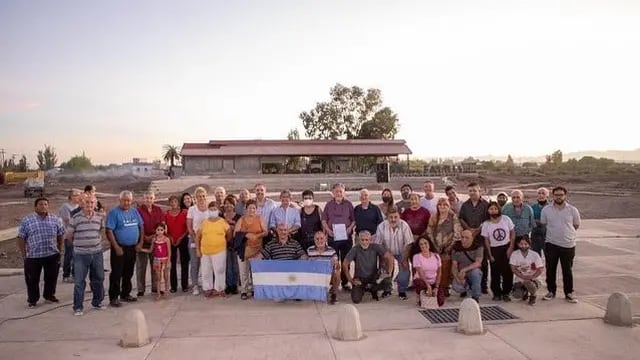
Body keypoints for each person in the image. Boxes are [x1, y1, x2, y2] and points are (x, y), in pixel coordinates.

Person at [17, 198, 65, 308]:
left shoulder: (55, 219)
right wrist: (24, 254)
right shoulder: (27, 220)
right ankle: (32, 300)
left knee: (51, 277)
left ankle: (49, 295)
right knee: (32, 279)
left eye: (45, 204)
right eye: (40, 204)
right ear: (35, 207)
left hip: (51, 254)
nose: (43, 206)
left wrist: (59, 249)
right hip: (33, 256)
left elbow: (60, 234)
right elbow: (21, 237)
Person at [541, 186, 581, 303]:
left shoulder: (573, 210)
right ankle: (551, 291)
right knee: (550, 269)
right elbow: (544, 223)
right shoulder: (546, 210)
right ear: (553, 196)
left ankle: (568, 293)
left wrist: (567, 234)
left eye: (561, 195)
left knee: (567, 270)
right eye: (556, 195)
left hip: (568, 245)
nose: (559, 197)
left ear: (565, 196)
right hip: (551, 243)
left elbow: (576, 225)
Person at [68, 194, 106, 315]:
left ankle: (97, 302)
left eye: (92, 203)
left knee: (98, 278)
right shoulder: (75, 218)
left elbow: (100, 231)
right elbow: (69, 236)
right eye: (87, 203)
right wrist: (79, 245)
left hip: (96, 253)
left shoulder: (99, 217)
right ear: (82, 204)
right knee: (79, 281)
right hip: (80, 254)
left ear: (95, 204)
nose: (89, 205)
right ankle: (78, 307)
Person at [106, 191, 144, 307]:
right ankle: (114, 297)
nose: (127, 202)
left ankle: (125, 293)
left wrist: (140, 242)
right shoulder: (114, 213)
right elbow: (109, 230)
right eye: (125, 200)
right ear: (120, 200)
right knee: (117, 273)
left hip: (132, 247)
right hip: (120, 247)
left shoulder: (134, 211)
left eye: (129, 200)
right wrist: (116, 246)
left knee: (129, 272)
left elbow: (141, 226)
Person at [342, 231, 394, 304]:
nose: (364, 242)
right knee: (356, 300)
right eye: (362, 240)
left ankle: (372, 288)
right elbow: (345, 263)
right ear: (358, 240)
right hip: (360, 278)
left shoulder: (375, 247)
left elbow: (390, 257)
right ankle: (364, 288)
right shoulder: (355, 249)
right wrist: (351, 280)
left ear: (370, 240)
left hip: (374, 277)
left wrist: (389, 272)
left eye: (366, 240)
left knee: (387, 281)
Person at [425, 197, 462, 297]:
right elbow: (429, 232)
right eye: (440, 205)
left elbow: (457, 233)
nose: (442, 207)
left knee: (446, 267)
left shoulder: (453, 217)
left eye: (445, 205)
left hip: (449, 248)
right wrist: (434, 246)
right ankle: (436, 286)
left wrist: (449, 247)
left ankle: (445, 287)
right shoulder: (434, 217)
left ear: (448, 206)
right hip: (435, 247)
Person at [375, 206, 414, 300]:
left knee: (404, 270)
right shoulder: (381, 226)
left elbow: (409, 243)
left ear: (399, 216)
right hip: (387, 252)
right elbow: (378, 244)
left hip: (401, 251)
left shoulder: (404, 225)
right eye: (391, 217)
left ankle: (402, 291)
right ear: (387, 217)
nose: (393, 219)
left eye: (395, 217)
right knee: (385, 269)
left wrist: (404, 259)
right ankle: (387, 290)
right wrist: (385, 255)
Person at [322, 183, 355, 290]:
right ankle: (334, 283)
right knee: (333, 261)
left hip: (346, 238)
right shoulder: (328, 205)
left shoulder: (349, 204)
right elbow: (324, 220)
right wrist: (328, 230)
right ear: (333, 192)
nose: (339, 193)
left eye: (341, 191)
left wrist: (350, 228)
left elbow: (354, 220)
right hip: (333, 237)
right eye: (337, 191)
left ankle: (345, 282)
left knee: (346, 260)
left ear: (344, 192)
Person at [459, 182, 490, 294]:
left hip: (481, 236)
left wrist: (477, 230)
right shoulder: (465, 205)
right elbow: (461, 218)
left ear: (479, 191)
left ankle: (483, 285)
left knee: (483, 261)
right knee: (466, 260)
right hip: (468, 237)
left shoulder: (486, 204)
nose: (472, 193)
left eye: (474, 190)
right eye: (470, 191)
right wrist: (469, 230)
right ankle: (465, 284)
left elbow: (488, 219)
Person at [234, 199, 268, 300]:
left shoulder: (260, 218)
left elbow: (266, 232)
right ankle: (244, 290)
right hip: (244, 249)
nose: (252, 210)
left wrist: (257, 236)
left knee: (255, 270)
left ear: (256, 209)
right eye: (250, 208)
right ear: (246, 209)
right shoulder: (241, 219)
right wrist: (246, 235)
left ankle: (255, 289)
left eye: (253, 208)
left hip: (257, 249)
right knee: (243, 271)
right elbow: (236, 233)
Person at [196, 202, 231, 297]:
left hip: (219, 250)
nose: (213, 211)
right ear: (208, 210)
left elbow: (229, 233)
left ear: (218, 210)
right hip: (205, 251)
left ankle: (219, 288)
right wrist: (198, 250)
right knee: (206, 271)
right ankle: (207, 288)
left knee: (220, 270)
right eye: (211, 209)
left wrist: (224, 242)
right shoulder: (204, 222)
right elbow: (198, 236)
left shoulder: (223, 222)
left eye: (215, 209)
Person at [482, 201, 516, 301]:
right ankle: (496, 293)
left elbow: (512, 233)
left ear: (498, 209)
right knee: (495, 272)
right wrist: (489, 254)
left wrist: (511, 247)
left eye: (495, 208)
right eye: (491, 209)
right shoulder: (486, 224)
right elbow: (486, 240)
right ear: (488, 211)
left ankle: (506, 293)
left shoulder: (506, 219)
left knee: (508, 272)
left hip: (506, 247)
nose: (493, 211)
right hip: (494, 249)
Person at [136, 191, 165, 297]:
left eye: (151, 198)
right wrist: (144, 238)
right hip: (142, 241)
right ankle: (140, 289)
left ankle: (155, 287)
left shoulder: (158, 210)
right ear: (143, 199)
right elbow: (137, 226)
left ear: (154, 199)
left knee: (156, 266)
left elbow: (162, 224)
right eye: (147, 198)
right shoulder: (138, 211)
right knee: (141, 267)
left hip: (156, 241)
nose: (149, 200)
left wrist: (154, 236)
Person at [187, 187, 210, 296]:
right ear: (195, 198)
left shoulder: (210, 209)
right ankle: (195, 285)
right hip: (194, 239)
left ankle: (206, 284)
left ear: (206, 196)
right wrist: (195, 237)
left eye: (203, 196)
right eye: (199, 196)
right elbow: (189, 227)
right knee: (195, 263)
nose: (201, 198)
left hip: (207, 240)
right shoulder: (192, 209)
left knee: (206, 263)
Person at [306, 231, 340, 305]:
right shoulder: (309, 250)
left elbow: (337, 266)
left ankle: (334, 294)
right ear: (314, 240)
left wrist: (335, 262)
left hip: (328, 276)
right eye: (317, 239)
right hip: (315, 276)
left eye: (321, 238)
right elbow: (306, 265)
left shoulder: (332, 251)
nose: (319, 241)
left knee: (337, 272)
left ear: (325, 239)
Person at [510, 235, 544, 305]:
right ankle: (525, 292)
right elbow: (513, 268)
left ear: (529, 244)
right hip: (520, 279)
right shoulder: (515, 254)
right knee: (516, 295)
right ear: (518, 244)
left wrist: (531, 277)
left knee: (529, 284)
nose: (523, 246)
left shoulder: (535, 255)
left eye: (526, 244)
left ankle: (533, 295)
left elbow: (540, 269)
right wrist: (521, 276)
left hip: (534, 279)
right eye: (521, 244)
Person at [451, 230, 484, 303]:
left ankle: (475, 296)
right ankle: (467, 288)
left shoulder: (478, 246)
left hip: (472, 270)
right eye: (462, 237)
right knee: (456, 286)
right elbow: (454, 265)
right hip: (462, 274)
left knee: (475, 273)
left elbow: (478, 263)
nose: (464, 240)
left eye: (467, 238)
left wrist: (464, 270)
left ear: (472, 238)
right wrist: (457, 277)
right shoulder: (456, 247)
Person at [165, 195, 189, 293]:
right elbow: (164, 228)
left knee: (184, 262)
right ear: (169, 203)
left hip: (182, 239)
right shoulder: (166, 214)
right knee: (172, 263)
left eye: (175, 201)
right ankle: (173, 286)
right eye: (171, 201)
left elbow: (188, 228)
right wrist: (170, 237)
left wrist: (180, 238)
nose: (173, 203)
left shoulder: (184, 213)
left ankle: (185, 285)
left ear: (178, 202)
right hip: (171, 240)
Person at [410, 237, 442, 307]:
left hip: (433, 281)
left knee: (440, 301)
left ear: (429, 244)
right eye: (421, 244)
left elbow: (439, 272)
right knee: (420, 284)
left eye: (425, 243)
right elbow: (420, 273)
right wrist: (428, 286)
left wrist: (436, 287)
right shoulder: (416, 257)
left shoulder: (436, 256)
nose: (424, 245)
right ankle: (420, 295)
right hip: (422, 280)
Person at [59, 189, 82, 283]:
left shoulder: (78, 206)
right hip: (69, 235)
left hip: (79, 235)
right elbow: (68, 221)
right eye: (76, 195)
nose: (79, 197)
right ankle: (66, 274)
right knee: (69, 255)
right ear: (71, 196)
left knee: (77, 255)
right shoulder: (66, 207)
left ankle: (75, 274)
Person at [222, 194, 241, 295]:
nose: (228, 206)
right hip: (224, 244)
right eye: (226, 204)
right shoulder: (220, 216)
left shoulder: (238, 217)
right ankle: (229, 285)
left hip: (235, 244)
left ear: (234, 205)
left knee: (235, 266)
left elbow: (239, 230)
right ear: (224, 205)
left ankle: (235, 285)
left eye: (230, 204)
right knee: (227, 266)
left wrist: (231, 225)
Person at [148, 223, 171, 300]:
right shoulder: (154, 240)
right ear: (155, 231)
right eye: (158, 230)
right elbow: (151, 250)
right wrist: (141, 249)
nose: (160, 231)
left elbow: (169, 251)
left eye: (161, 230)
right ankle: (158, 294)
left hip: (165, 259)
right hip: (157, 260)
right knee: (158, 278)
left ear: (164, 230)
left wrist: (168, 261)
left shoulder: (166, 239)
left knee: (166, 277)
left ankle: (167, 292)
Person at [530, 187, 550, 255]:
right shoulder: (533, 207)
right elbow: (530, 220)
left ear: (547, 196)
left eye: (543, 193)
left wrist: (540, 221)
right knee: (535, 256)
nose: (541, 195)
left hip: (548, 235)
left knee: (549, 256)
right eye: (539, 193)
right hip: (535, 235)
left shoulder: (551, 207)